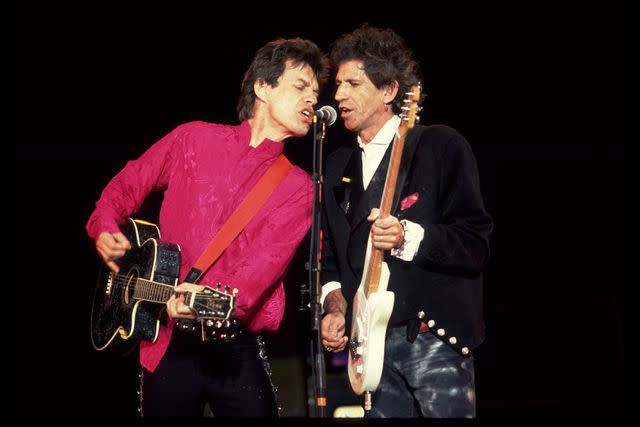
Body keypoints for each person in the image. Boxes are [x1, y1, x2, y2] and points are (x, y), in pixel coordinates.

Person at [86, 37, 330, 416]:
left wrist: (206, 298)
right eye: (300, 87)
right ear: (262, 87)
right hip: (166, 345)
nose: (311, 100)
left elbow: (262, 267)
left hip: (236, 351)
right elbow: (130, 181)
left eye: (315, 93)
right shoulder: (193, 138)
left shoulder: (299, 186)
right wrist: (104, 225)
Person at [319, 24, 493, 418]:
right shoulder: (334, 166)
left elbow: (475, 243)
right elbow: (328, 254)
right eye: (339, 84)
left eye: (353, 83)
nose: (339, 94)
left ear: (389, 90)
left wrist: (407, 238)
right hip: (368, 345)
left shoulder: (440, 146)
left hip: (431, 338)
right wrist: (334, 307)